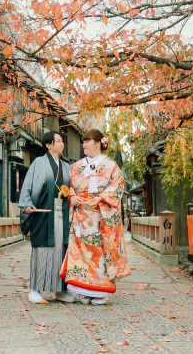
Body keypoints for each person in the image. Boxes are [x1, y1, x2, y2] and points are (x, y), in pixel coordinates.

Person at [61, 129, 129, 304]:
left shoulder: (110, 165)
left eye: (87, 141)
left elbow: (117, 185)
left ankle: (102, 291)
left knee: (100, 252)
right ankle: (86, 290)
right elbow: (71, 186)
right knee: (82, 252)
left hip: (101, 216)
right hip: (81, 216)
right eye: (83, 141)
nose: (83, 144)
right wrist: (72, 196)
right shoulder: (76, 166)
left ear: (98, 143)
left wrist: (100, 197)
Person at [17, 130, 75, 304]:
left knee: (62, 251)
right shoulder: (38, 163)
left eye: (62, 141)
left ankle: (60, 290)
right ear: (48, 145)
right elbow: (28, 186)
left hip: (63, 214)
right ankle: (35, 289)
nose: (62, 144)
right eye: (58, 141)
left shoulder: (66, 166)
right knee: (42, 251)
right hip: (43, 213)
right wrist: (27, 204)